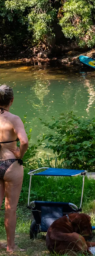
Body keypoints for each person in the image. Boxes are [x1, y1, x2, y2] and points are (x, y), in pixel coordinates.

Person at [0, 85, 29, 253]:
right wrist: (20, 155)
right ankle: (11, 247)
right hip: (11, 165)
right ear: (11, 100)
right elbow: (24, 141)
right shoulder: (14, 119)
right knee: (10, 208)